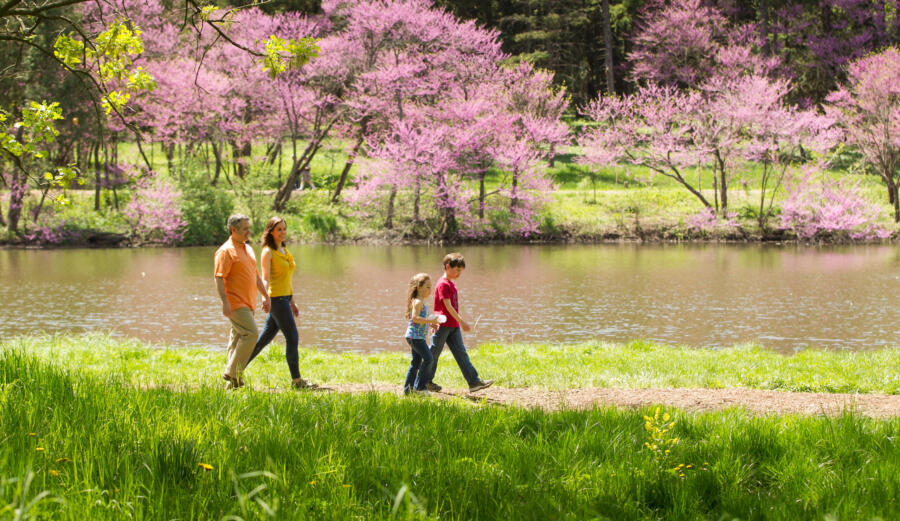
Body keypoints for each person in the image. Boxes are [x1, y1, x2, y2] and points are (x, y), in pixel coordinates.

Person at [245, 217, 316, 389]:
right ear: (270, 231)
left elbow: (287, 279)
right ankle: (297, 381)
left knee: (263, 340)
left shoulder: (283, 249)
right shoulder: (268, 252)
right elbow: (266, 278)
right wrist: (264, 297)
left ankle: (234, 370)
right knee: (292, 337)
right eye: (279, 229)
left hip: (285, 298)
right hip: (276, 299)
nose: (283, 232)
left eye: (284, 229)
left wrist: (293, 301)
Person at [420, 253, 493, 393]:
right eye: (457, 270)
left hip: (453, 326)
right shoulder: (442, 284)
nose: (459, 273)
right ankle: (422, 382)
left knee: (461, 353)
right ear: (448, 267)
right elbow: (447, 306)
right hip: (442, 325)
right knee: (433, 354)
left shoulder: (451, 284)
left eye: (461, 271)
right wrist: (462, 321)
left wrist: (458, 322)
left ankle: (474, 382)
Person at [215, 214, 271, 389]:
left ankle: (233, 385)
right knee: (251, 334)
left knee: (237, 338)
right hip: (235, 302)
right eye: (245, 229)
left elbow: (255, 276)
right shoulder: (226, 251)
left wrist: (266, 296)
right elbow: (218, 278)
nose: (249, 231)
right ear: (234, 230)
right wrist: (225, 302)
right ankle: (232, 372)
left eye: (249, 227)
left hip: (248, 302)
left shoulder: (247, 249)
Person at [403, 273, 441, 395]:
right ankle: (420, 388)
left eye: (431, 287)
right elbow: (414, 318)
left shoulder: (420, 302)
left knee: (416, 363)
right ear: (419, 287)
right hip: (415, 338)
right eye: (428, 287)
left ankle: (408, 390)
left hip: (416, 337)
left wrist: (430, 324)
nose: (431, 290)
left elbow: (419, 319)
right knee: (429, 359)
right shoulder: (418, 302)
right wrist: (430, 320)